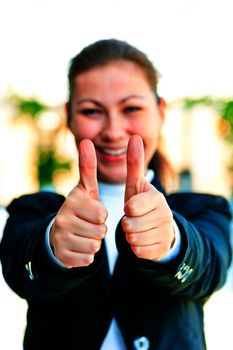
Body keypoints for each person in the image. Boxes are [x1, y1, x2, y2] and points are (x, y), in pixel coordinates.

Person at [0, 39, 232, 350]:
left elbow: (209, 268)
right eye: (92, 111)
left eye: (132, 108)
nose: (113, 130)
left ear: (161, 112)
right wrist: (52, 246)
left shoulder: (204, 209)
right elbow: (19, 269)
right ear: (69, 116)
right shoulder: (33, 211)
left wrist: (173, 242)